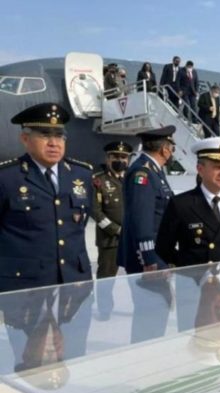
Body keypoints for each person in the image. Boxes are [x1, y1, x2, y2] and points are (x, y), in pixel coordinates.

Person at [0, 103, 93, 293]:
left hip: (75, 284)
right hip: (26, 288)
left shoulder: (80, 175)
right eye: (45, 135)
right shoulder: (7, 178)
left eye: (59, 136)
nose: (54, 143)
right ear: (25, 139)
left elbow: (78, 225)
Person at [156, 137, 220, 267]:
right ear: (200, 170)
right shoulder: (181, 204)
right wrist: (190, 268)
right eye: (217, 167)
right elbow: (163, 248)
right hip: (195, 282)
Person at [117, 126, 176, 274]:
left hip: (158, 252)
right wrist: (148, 258)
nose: (171, 153)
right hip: (149, 258)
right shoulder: (142, 173)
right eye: (172, 149)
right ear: (164, 150)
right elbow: (141, 218)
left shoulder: (155, 171)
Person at [91, 141, 132, 279]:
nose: (120, 160)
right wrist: (116, 230)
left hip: (132, 237)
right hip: (110, 240)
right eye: (116, 157)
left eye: (123, 157)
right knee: (106, 280)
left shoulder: (133, 179)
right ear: (108, 159)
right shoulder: (98, 181)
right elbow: (96, 212)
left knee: (138, 278)